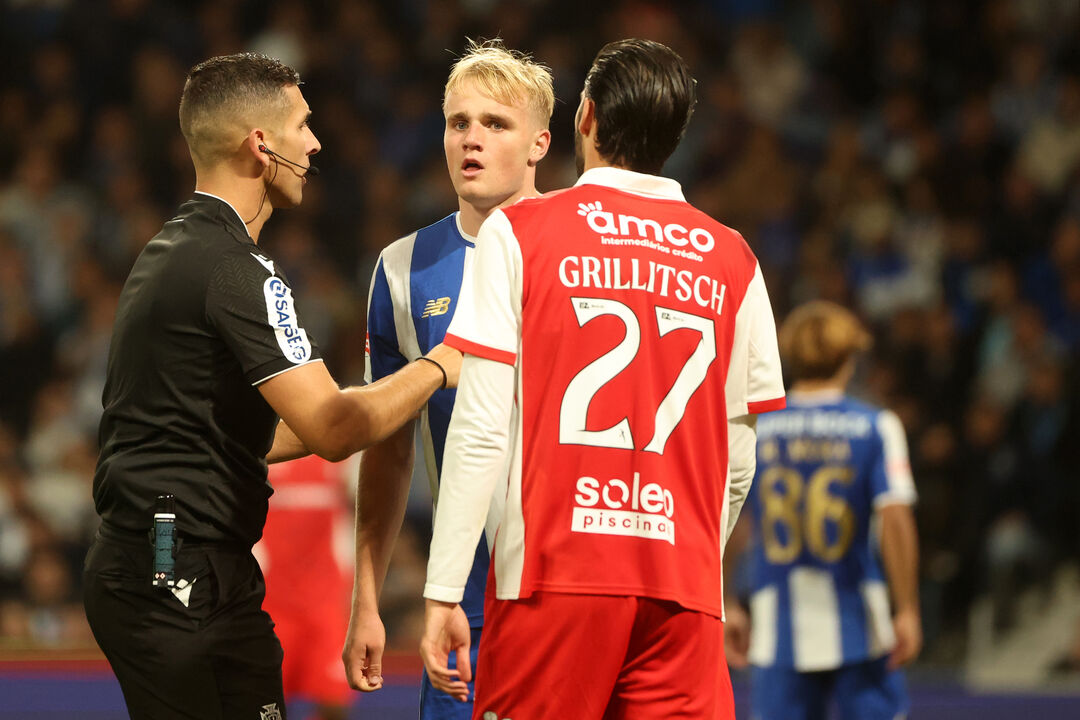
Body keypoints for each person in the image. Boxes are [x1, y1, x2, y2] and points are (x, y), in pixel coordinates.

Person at [82, 53, 458, 720]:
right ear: (261, 144)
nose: (314, 144)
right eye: (302, 126)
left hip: (184, 562)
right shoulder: (233, 269)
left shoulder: (176, 250)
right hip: (172, 564)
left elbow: (226, 433)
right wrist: (440, 365)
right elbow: (333, 430)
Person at [419, 38, 786, 719]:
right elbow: (739, 457)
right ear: (676, 135)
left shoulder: (519, 231)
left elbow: (480, 428)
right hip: (684, 588)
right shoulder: (735, 258)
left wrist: (444, 589)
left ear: (585, 117)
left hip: (554, 581)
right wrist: (692, 552)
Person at [340, 39, 553, 718]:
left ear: (539, 144)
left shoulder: (582, 251)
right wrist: (366, 601)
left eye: (496, 124)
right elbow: (389, 445)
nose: (472, 139)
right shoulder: (403, 268)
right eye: (459, 122)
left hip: (571, 589)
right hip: (461, 598)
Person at [723, 300, 921, 720]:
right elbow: (895, 520)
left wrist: (726, 601)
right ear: (849, 357)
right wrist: (907, 608)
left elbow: (735, 517)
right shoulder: (875, 426)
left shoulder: (757, 425)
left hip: (777, 622)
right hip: (860, 621)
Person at [256, 455, 354, 720]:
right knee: (264, 704)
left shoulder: (341, 446)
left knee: (335, 701)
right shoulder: (257, 445)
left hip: (326, 596)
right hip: (269, 599)